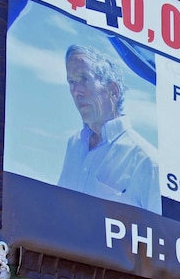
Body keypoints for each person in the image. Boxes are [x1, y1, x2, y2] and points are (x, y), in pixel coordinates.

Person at [57, 45, 161, 214]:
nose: (76, 91)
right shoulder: (74, 144)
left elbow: (163, 235)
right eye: (71, 81)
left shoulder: (148, 162)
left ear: (113, 91)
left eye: (84, 79)